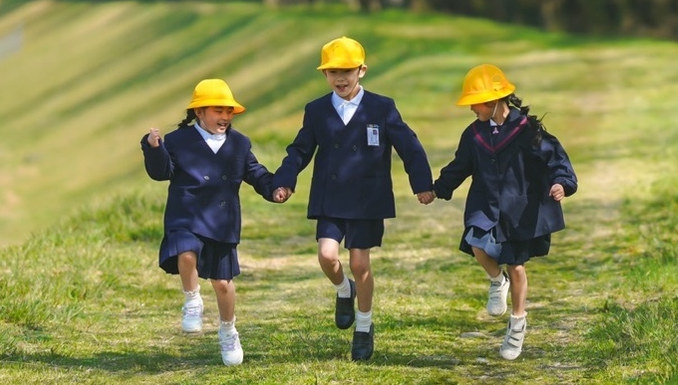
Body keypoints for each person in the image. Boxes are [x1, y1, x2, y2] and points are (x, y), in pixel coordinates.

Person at [271, 36, 435, 361]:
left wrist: (422, 184)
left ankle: (364, 325)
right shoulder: (316, 110)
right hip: (330, 195)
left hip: (367, 197)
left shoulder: (382, 107)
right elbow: (300, 150)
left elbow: (410, 146)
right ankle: (343, 290)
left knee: (360, 264)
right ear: (324, 75)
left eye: (347, 70)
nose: (341, 78)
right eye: (333, 72)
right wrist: (285, 181)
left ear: (362, 71)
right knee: (326, 256)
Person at [432, 63, 578, 360]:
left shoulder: (529, 132)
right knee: (476, 242)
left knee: (517, 266)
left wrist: (562, 184)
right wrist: (437, 188)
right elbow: (460, 166)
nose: (472, 108)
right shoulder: (474, 135)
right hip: (485, 204)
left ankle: (517, 322)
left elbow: (557, 162)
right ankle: (497, 281)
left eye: (476, 102)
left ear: (495, 100)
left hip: (519, 210)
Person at [141, 78, 276, 367]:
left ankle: (228, 331)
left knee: (224, 284)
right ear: (199, 112)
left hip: (222, 221)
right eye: (218, 111)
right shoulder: (178, 140)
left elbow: (255, 172)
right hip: (186, 213)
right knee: (186, 251)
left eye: (229, 111)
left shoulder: (240, 143)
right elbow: (162, 172)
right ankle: (192, 300)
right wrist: (154, 148)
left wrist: (275, 188)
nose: (225, 117)